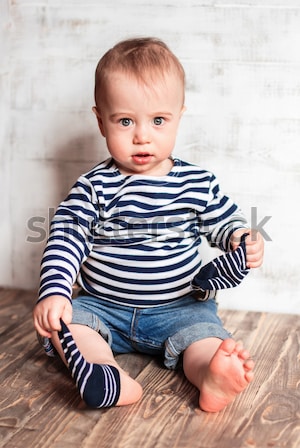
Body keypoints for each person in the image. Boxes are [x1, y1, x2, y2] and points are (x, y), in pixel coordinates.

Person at [33, 37, 264, 413]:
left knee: (202, 338)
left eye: (158, 120)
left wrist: (241, 237)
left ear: (179, 116)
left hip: (180, 306)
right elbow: (67, 236)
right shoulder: (94, 186)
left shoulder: (197, 182)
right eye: (125, 121)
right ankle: (103, 373)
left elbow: (223, 221)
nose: (142, 135)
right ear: (100, 121)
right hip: (104, 305)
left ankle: (210, 373)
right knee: (71, 327)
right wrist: (55, 291)